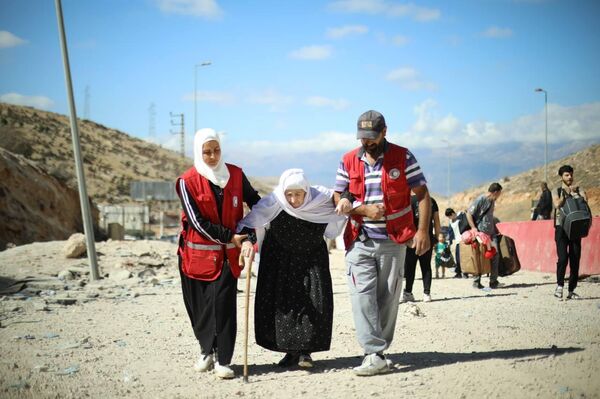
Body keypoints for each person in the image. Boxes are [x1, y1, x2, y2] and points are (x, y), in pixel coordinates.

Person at [333, 110, 431, 376]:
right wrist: (358, 208)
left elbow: (422, 195)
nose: (367, 143)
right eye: (363, 138)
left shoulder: (403, 156)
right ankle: (373, 353)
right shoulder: (348, 160)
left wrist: (422, 231)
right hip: (359, 240)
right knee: (362, 298)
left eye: (372, 137)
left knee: (387, 299)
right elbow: (338, 195)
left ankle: (380, 350)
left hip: (393, 240)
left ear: (384, 132)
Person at [237, 169, 346, 368]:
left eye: (298, 194)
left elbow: (341, 208)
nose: (293, 199)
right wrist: (247, 241)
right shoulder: (274, 202)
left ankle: (306, 352)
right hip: (280, 261)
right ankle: (290, 352)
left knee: (313, 303)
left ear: (306, 191)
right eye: (289, 194)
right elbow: (252, 222)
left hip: (311, 260)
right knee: (284, 307)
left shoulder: (321, 201)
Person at [175, 128, 260, 379]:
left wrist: (250, 234)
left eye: (216, 150)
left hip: (228, 257)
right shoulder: (186, 182)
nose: (212, 156)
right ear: (198, 153)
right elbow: (197, 221)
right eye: (207, 152)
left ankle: (224, 359)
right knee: (201, 309)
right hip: (196, 257)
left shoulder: (235, 174)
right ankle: (206, 351)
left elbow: (255, 202)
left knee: (223, 306)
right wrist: (229, 237)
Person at [553, 165, 588, 300]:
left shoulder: (578, 189)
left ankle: (571, 290)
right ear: (561, 176)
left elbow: (585, 201)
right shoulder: (556, 191)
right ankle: (559, 286)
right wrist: (565, 194)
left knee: (575, 258)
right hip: (561, 227)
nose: (570, 177)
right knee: (562, 258)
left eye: (571, 175)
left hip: (576, 228)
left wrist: (578, 193)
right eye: (567, 175)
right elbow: (557, 205)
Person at [401, 195, 440, 302]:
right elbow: (436, 221)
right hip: (427, 238)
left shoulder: (408, 200)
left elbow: (405, 221)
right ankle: (426, 294)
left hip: (412, 240)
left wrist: (404, 238)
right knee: (426, 266)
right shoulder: (432, 201)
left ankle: (408, 293)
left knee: (410, 266)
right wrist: (437, 238)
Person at [466, 182, 503, 289]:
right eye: (499, 193)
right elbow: (469, 213)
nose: (500, 195)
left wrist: (495, 228)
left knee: (495, 255)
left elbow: (489, 217)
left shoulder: (492, 201)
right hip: (481, 234)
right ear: (495, 192)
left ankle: (493, 282)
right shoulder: (481, 199)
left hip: (491, 234)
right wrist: (473, 228)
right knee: (480, 257)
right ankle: (476, 281)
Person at [445, 208, 467, 278]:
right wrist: (449, 241)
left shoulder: (461, 216)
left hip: (464, 239)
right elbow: (450, 232)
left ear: (452, 214)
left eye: (449, 216)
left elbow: (466, 223)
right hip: (457, 241)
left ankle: (465, 273)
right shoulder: (451, 222)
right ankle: (459, 273)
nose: (449, 218)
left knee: (464, 257)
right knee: (458, 258)